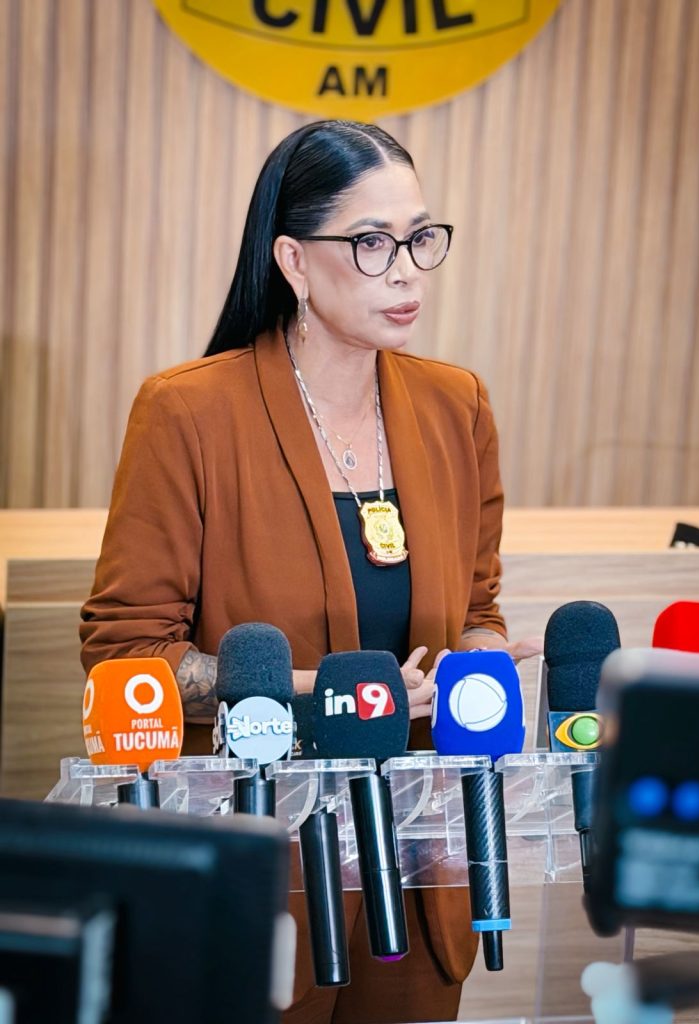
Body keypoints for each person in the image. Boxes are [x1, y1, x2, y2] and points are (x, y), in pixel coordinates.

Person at [80, 119, 542, 1023]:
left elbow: (477, 606)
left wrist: (480, 662)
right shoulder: (187, 413)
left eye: (419, 237)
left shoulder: (456, 405)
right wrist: (337, 697)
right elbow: (126, 660)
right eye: (372, 243)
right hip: (260, 864)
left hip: (419, 856)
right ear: (293, 260)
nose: (406, 271)